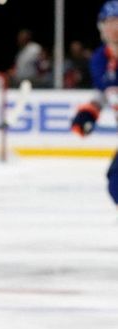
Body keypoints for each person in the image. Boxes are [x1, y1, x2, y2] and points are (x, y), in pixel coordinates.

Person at [71, 0, 118, 208]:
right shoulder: (99, 59)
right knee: (116, 183)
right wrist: (88, 114)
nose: (115, 27)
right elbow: (104, 93)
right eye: (109, 21)